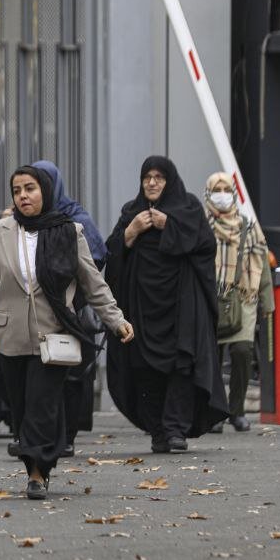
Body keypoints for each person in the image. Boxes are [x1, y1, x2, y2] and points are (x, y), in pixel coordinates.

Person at [0, 167, 133, 499]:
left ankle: (37, 472)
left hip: (53, 334)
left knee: (43, 402)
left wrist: (116, 319)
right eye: (17, 190)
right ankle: (35, 465)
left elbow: (92, 283)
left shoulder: (69, 231)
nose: (23, 196)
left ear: (46, 191)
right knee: (22, 408)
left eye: (30, 188)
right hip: (10, 336)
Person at [105, 156, 229, 453]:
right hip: (141, 305)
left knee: (181, 364)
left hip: (181, 304)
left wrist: (169, 225)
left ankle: (175, 429)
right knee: (144, 368)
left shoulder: (188, 208)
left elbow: (205, 247)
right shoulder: (131, 212)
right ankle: (158, 431)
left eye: (158, 177)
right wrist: (131, 232)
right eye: (147, 177)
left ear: (169, 180)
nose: (151, 183)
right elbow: (111, 255)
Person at [32, 159, 106, 457]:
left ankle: (67, 436)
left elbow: (96, 258)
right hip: (35, 310)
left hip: (71, 308)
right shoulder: (23, 221)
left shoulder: (76, 219)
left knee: (70, 374)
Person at [203, 172, 273, 432]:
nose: (221, 195)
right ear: (208, 194)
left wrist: (267, 302)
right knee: (212, 356)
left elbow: (261, 262)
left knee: (242, 352)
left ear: (233, 193)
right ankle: (215, 412)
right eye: (216, 190)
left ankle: (237, 410)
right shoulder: (201, 225)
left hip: (243, 298)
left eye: (226, 189)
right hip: (211, 298)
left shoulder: (248, 225)